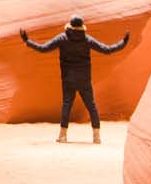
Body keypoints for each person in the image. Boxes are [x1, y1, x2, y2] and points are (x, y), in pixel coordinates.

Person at [19, 15, 131, 144]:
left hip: (68, 78)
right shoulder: (87, 39)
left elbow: (44, 49)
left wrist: (27, 41)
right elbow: (107, 50)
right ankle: (96, 136)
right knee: (91, 106)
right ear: (81, 27)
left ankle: (63, 136)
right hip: (84, 78)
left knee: (67, 105)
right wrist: (123, 43)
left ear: (70, 26)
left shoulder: (62, 38)